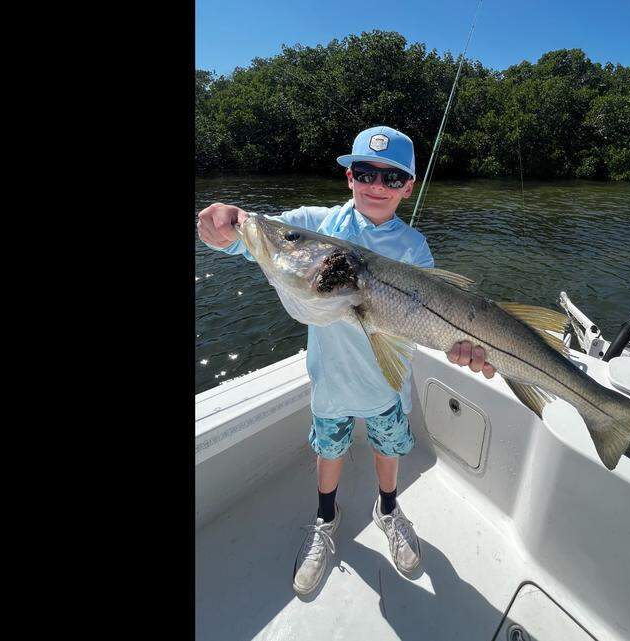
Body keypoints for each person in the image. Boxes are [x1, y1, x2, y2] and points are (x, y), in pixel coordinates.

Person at [197, 125, 495, 596]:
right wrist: (228, 221)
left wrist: (463, 349)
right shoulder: (316, 225)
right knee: (328, 451)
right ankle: (325, 518)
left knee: (388, 450)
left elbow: (432, 318)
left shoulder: (414, 247)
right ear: (348, 177)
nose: (376, 185)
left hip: (387, 385)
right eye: (365, 172)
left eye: (391, 178)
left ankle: (389, 510)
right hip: (330, 383)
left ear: (409, 186)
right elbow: (253, 236)